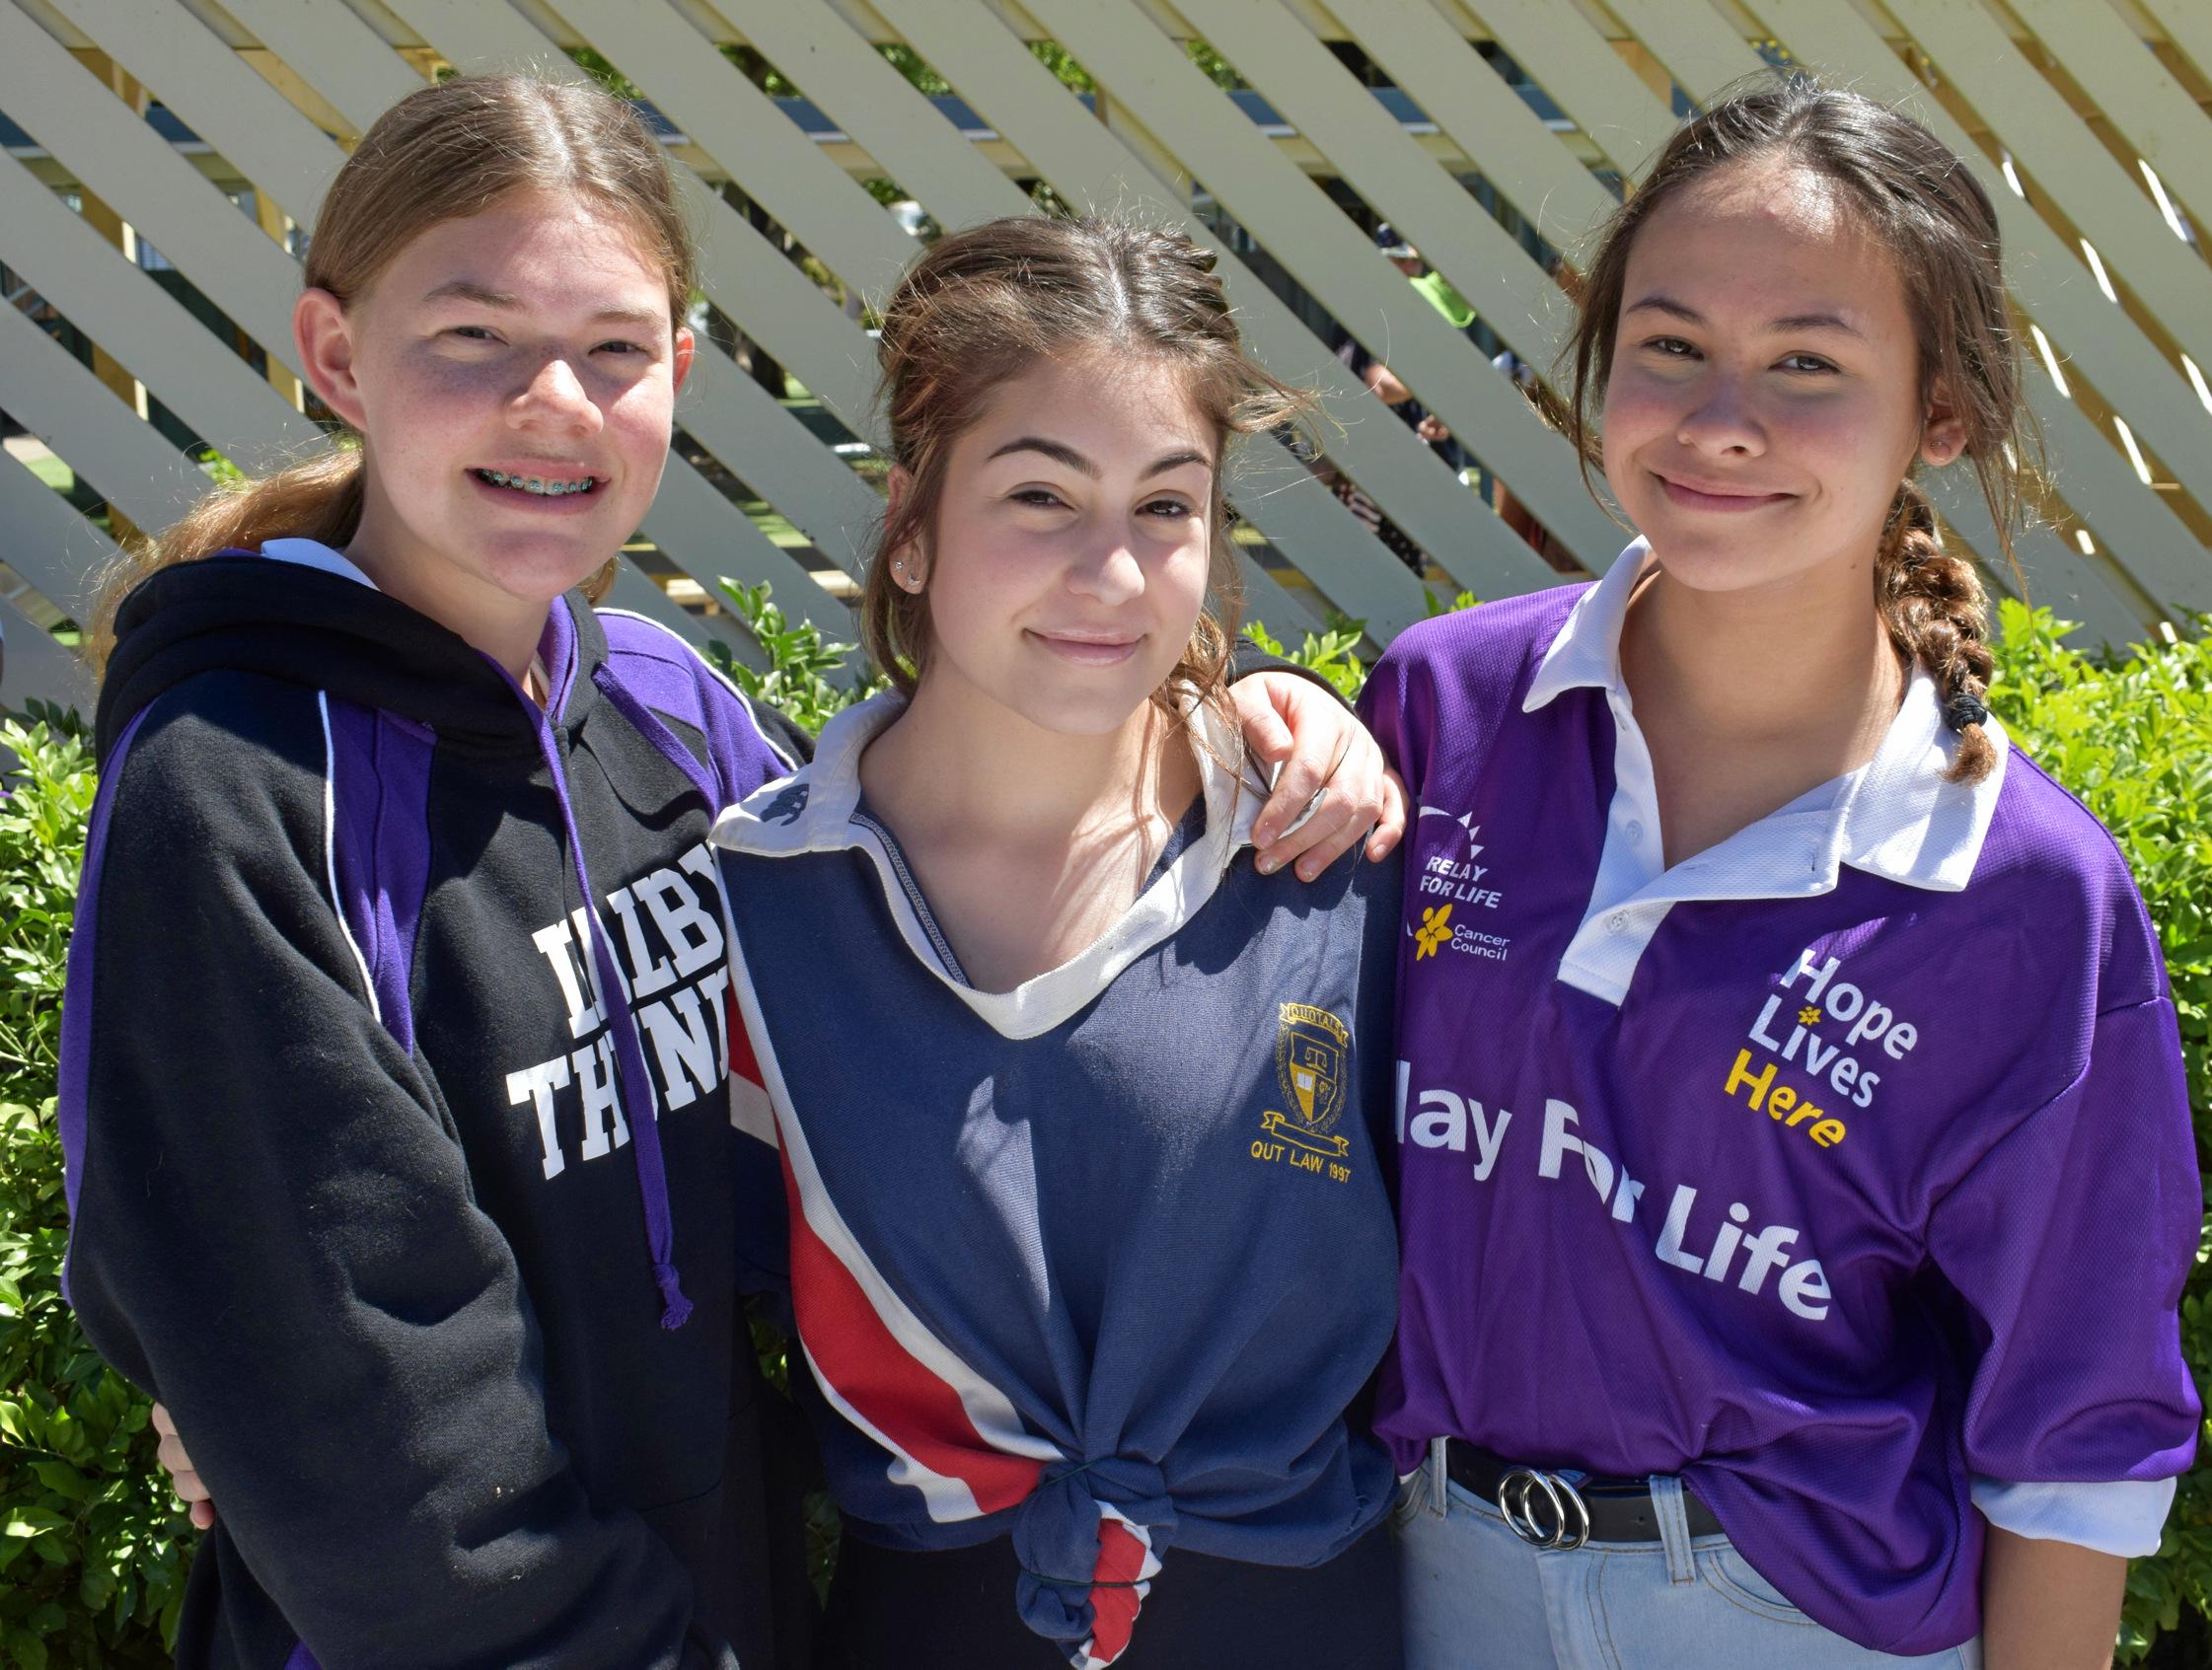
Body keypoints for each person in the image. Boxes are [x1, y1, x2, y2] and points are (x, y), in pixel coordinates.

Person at [61, 75, 1392, 1670]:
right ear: (338, 355)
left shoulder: (672, 722)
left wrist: (1236, 707)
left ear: (677, 372)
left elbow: (896, 970)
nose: (553, 400)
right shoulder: (235, 791)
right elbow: (370, 1435)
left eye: (613, 347)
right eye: (472, 337)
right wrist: (232, 1382)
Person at [1359, 77, 2202, 1668]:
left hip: (1787, 1615)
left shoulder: (2022, 890)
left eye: (1805, 364)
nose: (1718, 416)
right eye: (1669, 345)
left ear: (1937, 415)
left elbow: (2075, 1430)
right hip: (1420, 1577)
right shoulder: (1437, 712)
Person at [710, 216, 1407, 1670]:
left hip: (1303, 1623)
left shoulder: (1328, 856)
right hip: (925, 1630)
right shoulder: (758, 905)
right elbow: (606, 1279)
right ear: (910, 521)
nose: (1111, 571)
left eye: (1167, 505)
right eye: (1040, 495)